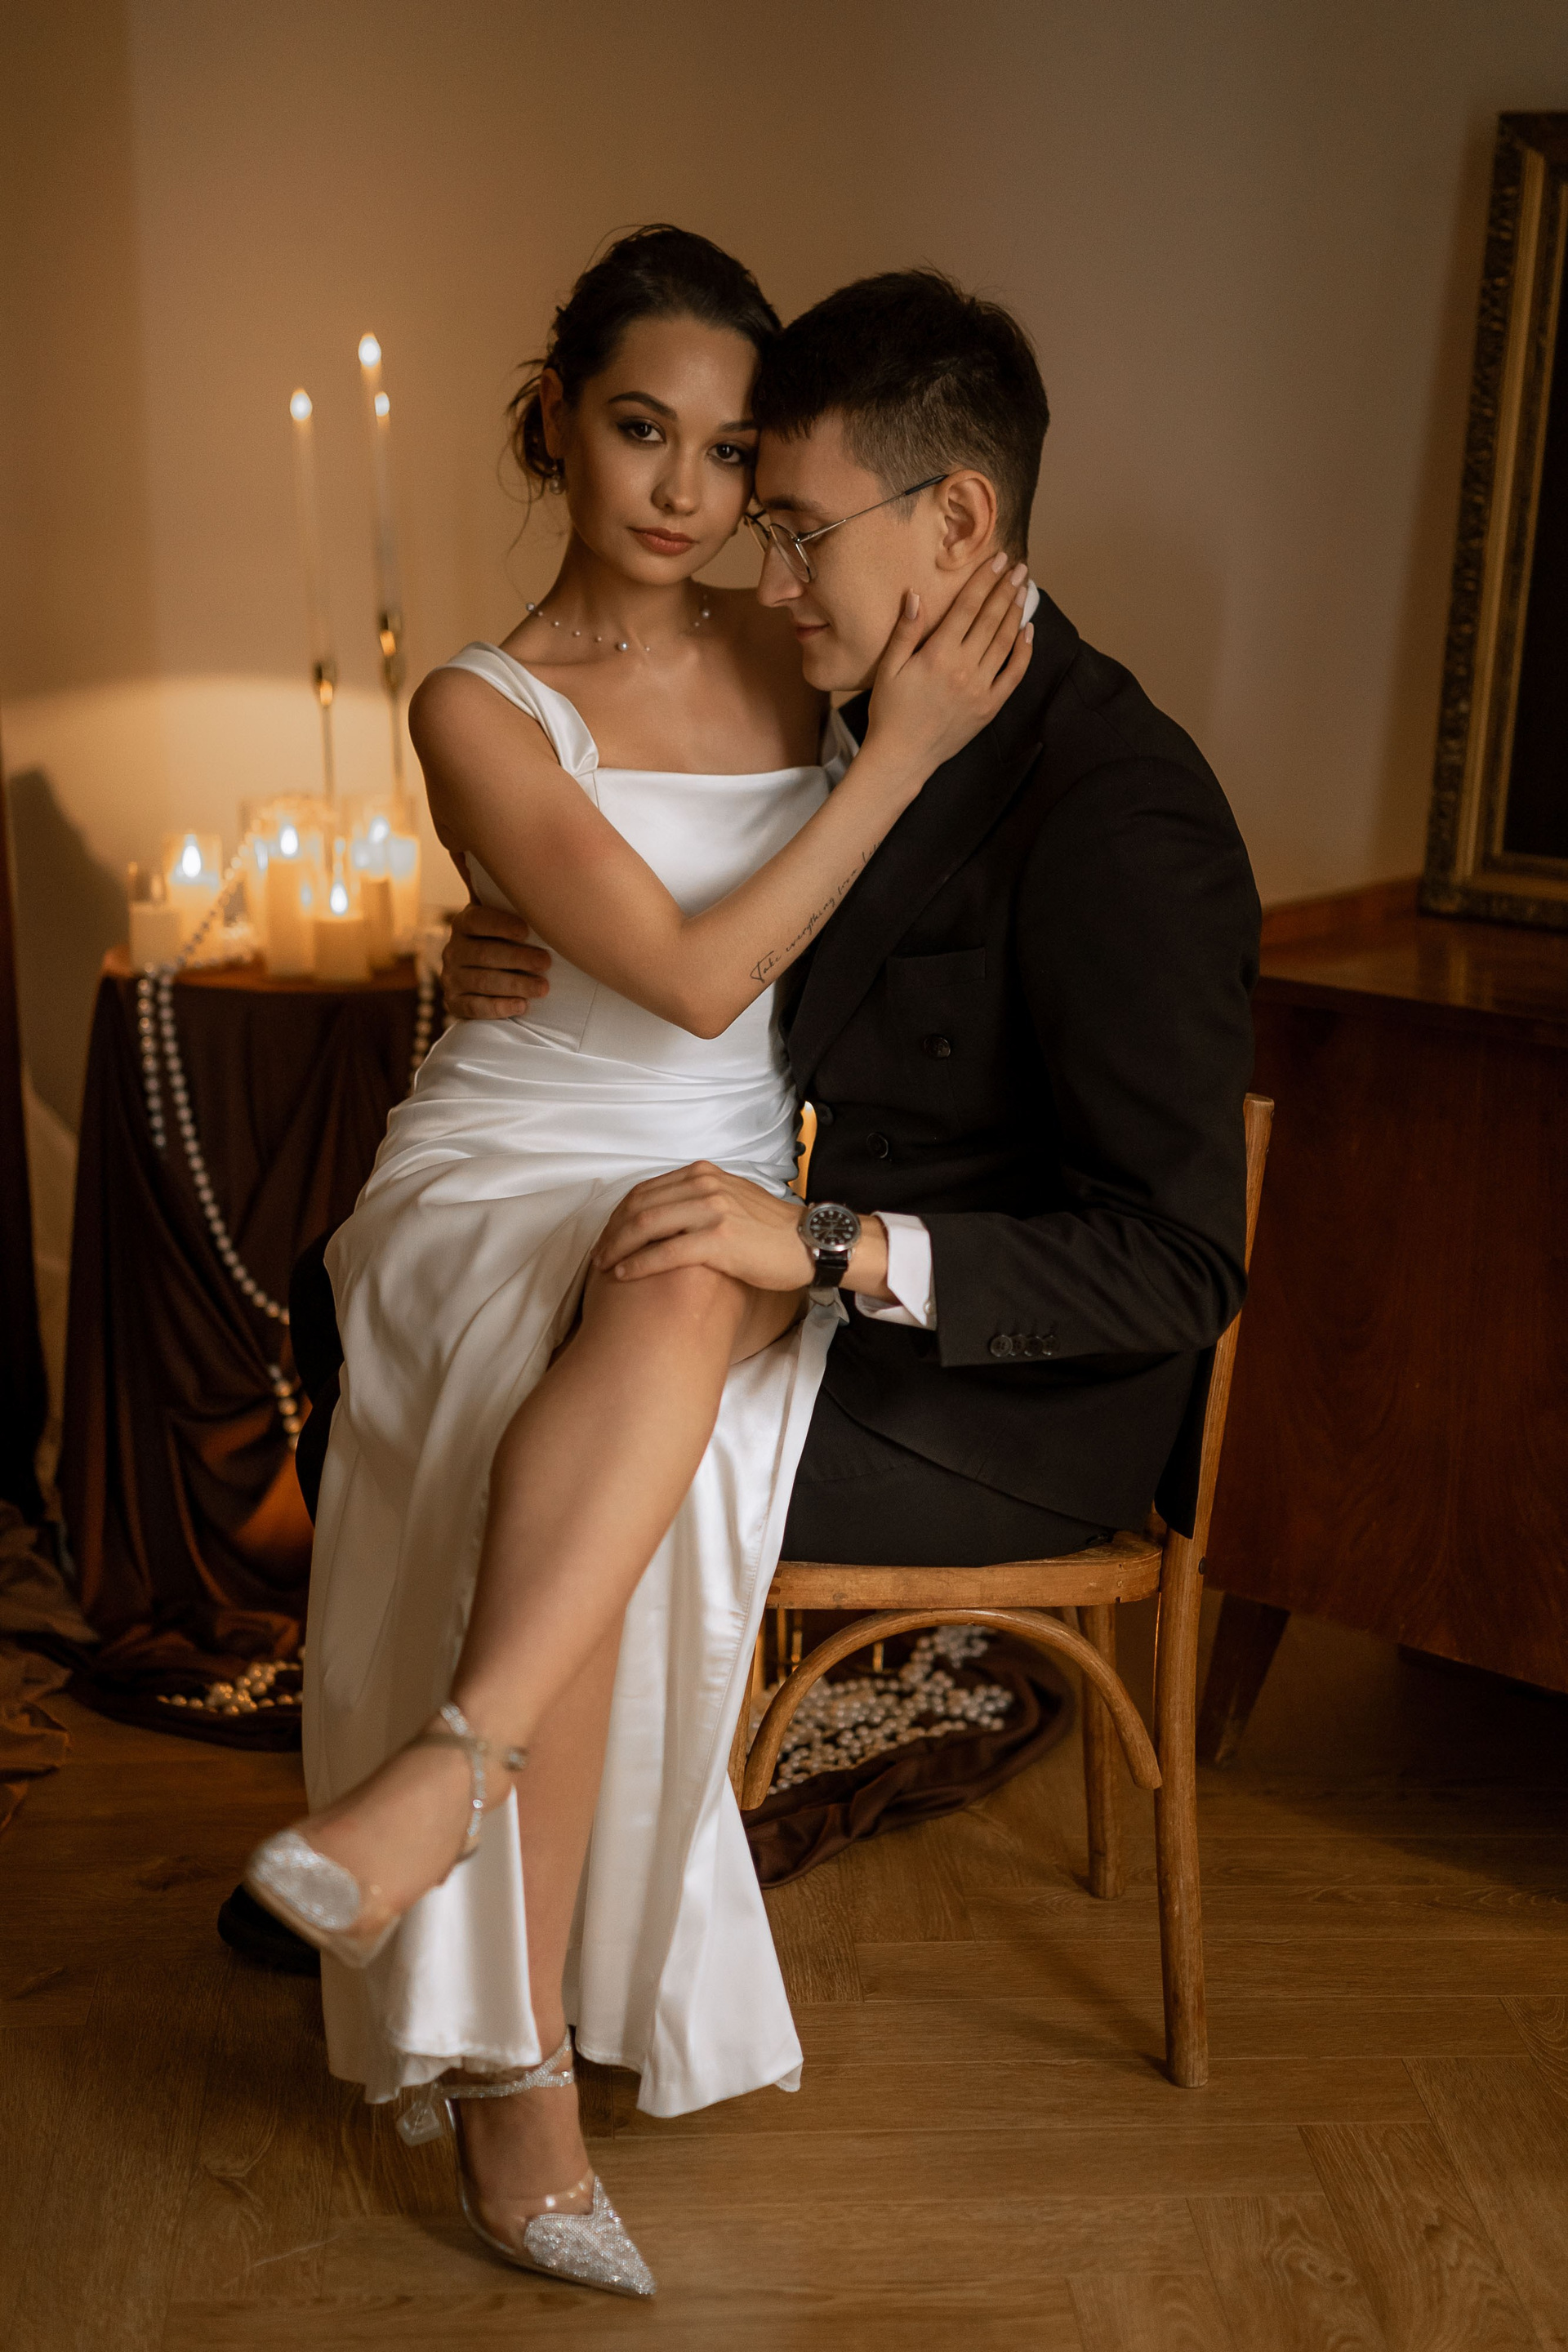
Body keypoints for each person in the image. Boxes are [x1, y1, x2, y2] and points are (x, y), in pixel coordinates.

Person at [242, 227, 1031, 2300]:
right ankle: (517, 2090)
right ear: (556, 423)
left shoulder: (806, 643)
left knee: (680, 1268)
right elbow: (688, 979)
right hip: (505, 1155)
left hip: (724, 1178)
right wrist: (894, 758)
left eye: (731, 451)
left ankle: (455, 1780)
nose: (687, 491)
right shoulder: (477, 700)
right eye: (638, 429)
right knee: (595, 1341)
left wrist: (897, 726)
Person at [446, 266, 1261, 1584]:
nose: (771, 587)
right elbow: (727, 920)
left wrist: (831, 1245)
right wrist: (519, 943)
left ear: (959, 519)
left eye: (803, 534)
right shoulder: (868, 718)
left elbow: (1178, 1269)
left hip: (1009, 1417)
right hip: (830, 1321)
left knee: (565, 1464)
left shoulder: (1122, 810)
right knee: (444, 1347)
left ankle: (493, 1727)